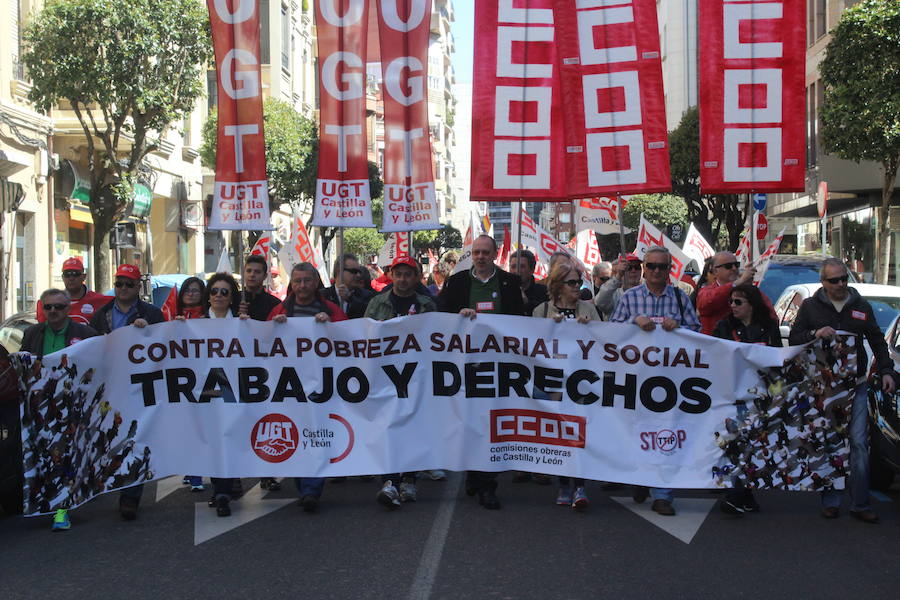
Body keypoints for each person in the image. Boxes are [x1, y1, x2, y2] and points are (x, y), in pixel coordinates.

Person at [788, 258, 894, 524]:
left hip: (856, 385)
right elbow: (795, 336)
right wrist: (815, 332)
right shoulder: (811, 306)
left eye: (843, 278)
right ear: (823, 282)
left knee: (858, 443)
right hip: (824, 387)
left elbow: (878, 341)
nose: (840, 284)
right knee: (827, 442)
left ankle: (860, 503)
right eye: (834, 280)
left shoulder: (861, 306)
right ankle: (830, 500)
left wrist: (886, 371)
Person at [609, 246, 700, 516]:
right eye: (652, 266)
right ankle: (640, 478)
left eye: (663, 267)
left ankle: (663, 494)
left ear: (669, 269)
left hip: (670, 381)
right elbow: (610, 333)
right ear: (644, 268)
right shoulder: (629, 297)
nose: (657, 271)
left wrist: (679, 327)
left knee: (665, 432)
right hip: (636, 379)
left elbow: (698, 332)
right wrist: (632, 321)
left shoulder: (681, 298)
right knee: (637, 431)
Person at [438, 234, 524, 509]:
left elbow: (520, 322)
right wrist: (457, 317)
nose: (480, 257)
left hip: (497, 366)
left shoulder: (509, 282)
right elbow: (441, 316)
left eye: (485, 252)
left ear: (495, 254)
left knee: (491, 424)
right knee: (470, 422)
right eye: (476, 252)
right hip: (465, 365)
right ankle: (474, 473)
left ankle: (487, 483)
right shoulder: (458, 281)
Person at [269, 262, 348, 512]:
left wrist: (330, 327)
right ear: (291, 284)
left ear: (316, 283)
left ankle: (311, 489)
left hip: (322, 386)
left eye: (307, 280)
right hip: (289, 387)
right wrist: (274, 327)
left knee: (317, 434)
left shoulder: (331, 310)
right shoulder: (279, 310)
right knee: (295, 434)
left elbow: (348, 340)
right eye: (297, 281)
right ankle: (304, 485)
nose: (302, 285)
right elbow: (260, 344)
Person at [89, 264, 164, 521]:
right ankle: (107, 483)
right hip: (110, 385)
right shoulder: (101, 315)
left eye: (128, 284)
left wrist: (148, 333)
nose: (122, 288)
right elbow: (91, 347)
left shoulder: (152, 313)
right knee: (109, 436)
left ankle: (130, 496)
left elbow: (163, 347)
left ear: (138, 287)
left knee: (135, 438)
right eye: (119, 283)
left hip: (140, 386)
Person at [22, 288, 99, 531]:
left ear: (69, 309)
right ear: (42, 309)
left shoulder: (85, 333)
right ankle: (46, 501)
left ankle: (61, 509)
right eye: (48, 307)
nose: (53, 311)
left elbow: (101, 362)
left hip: (72, 405)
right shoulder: (32, 333)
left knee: (62, 456)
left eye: (59, 307)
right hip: (39, 407)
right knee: (42, 457)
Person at [364, 256, 438, 508]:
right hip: (386, 377)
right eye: (399, 274)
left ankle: (409, 478)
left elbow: (437, 337)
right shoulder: (377, 303)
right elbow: (365, 336)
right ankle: (390, 481)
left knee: (413, 427)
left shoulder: (427, 305)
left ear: (416, 277)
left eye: (408, 274)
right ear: (391, 276)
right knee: (388, 426)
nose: (403, 279)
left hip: (416, 376)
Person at [532, 264, 601, 509]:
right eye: (572, 283)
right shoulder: (541, 311)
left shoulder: (589, 309)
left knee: (580, 431)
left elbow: (606, 343)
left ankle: (580, 486)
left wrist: (590, 329)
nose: (577, 287)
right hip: (552, 381)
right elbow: (531, 345)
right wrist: (549, 328)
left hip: (582, 382)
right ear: (558, 285)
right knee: (558, 432)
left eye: (579, 282)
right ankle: (563, 484)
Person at [712, 284, 782, 515]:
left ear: (752, 304)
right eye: (730, 302)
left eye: (738, 302)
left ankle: (745, 495)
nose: (732, 306)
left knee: (752, 444)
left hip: (760, 395)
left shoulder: (769, 328)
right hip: (732, 394)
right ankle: (736, 494)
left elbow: (777, 360)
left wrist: (777, 391)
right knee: (736, 443)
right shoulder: (724, 326)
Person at [197, 273, 244, 517]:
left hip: (234, 389)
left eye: (225, 292)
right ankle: (220, 487)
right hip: (205, 391)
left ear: (231, 297)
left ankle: (224, 490)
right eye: (214, 291)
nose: (218, 296)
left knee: (230, 438)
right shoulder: (193, 324)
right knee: (215, 439)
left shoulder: (244, 323)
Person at [238, 254, 282, 492]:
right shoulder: (232, 298)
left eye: (257, 271)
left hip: (264, 370)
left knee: (264, 421)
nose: (252, 275)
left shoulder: (272, 303)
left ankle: (266, 471)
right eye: (248, 271)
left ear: (264, 276)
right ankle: (233, 475)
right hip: (235, 368)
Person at [165, 277, 207, 492]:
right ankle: (191, 470)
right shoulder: (170, 316)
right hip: (179, 379)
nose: (190, 294)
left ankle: (197, 473)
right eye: (187, 291)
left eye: (196, 290)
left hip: (204, 379)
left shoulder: (208, 316)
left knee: (200, 426)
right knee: (186, 427)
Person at [697, 251, 762, 335]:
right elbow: (707, 302)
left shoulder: (745, 289)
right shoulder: (706, 291)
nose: (734, 268)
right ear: (715, 271)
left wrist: (749, 288)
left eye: (736, 265)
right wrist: (738, 282)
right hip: (715, 344)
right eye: (728, 266)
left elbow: (767, 313)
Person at [36, 257, 111, 325]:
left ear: (84, 277)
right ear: (62, 277)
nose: (71, 278)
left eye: (75, 274)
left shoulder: (100, 300)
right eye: (67, 274)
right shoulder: (47, 305)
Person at [323, 253, 375, 318]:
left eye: (359, 272)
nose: (358, 275)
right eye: (353, 271)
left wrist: (350, 298)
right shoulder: (323, 296)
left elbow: (368, 314)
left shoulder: (366, 296)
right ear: (339, 271)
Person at [595, 253, 643, 319]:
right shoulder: (615, 295)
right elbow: (600, 301)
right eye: (629, 268)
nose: (633, 270)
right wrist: (618, 276)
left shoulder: (648, 294)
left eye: (637, 267)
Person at [510, 249, 549, 317]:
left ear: (532, 269)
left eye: (522, 267)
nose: (516, 271)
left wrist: (527, 303)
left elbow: (547, 314)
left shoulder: (545, 292)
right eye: (513, 267)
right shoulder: (502, 290)